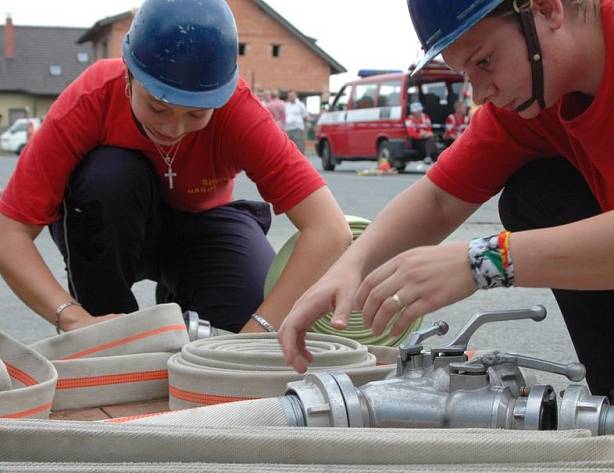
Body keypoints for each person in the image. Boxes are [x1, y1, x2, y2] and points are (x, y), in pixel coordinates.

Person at [279, 0, 614, 469]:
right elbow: (440, 196)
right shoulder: (538, 89)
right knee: (538, 194)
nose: (479, 92)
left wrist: (483, 262)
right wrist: (349, 266)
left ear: (548, 9)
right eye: (464, 72)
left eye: (483, 62)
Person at [0, 0, 351, 335]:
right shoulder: (93, 96)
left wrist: (255, 336)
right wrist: (71, 317)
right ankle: (108, 327)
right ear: (128, 77)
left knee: (244, 312)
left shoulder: (238, 110)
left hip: (202, 226)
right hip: (114, 223)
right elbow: (8, 231)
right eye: (158, 107)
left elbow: (330, 229)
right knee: (108, 176)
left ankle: (184, 302)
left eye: (196, 114)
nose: (174, 129)